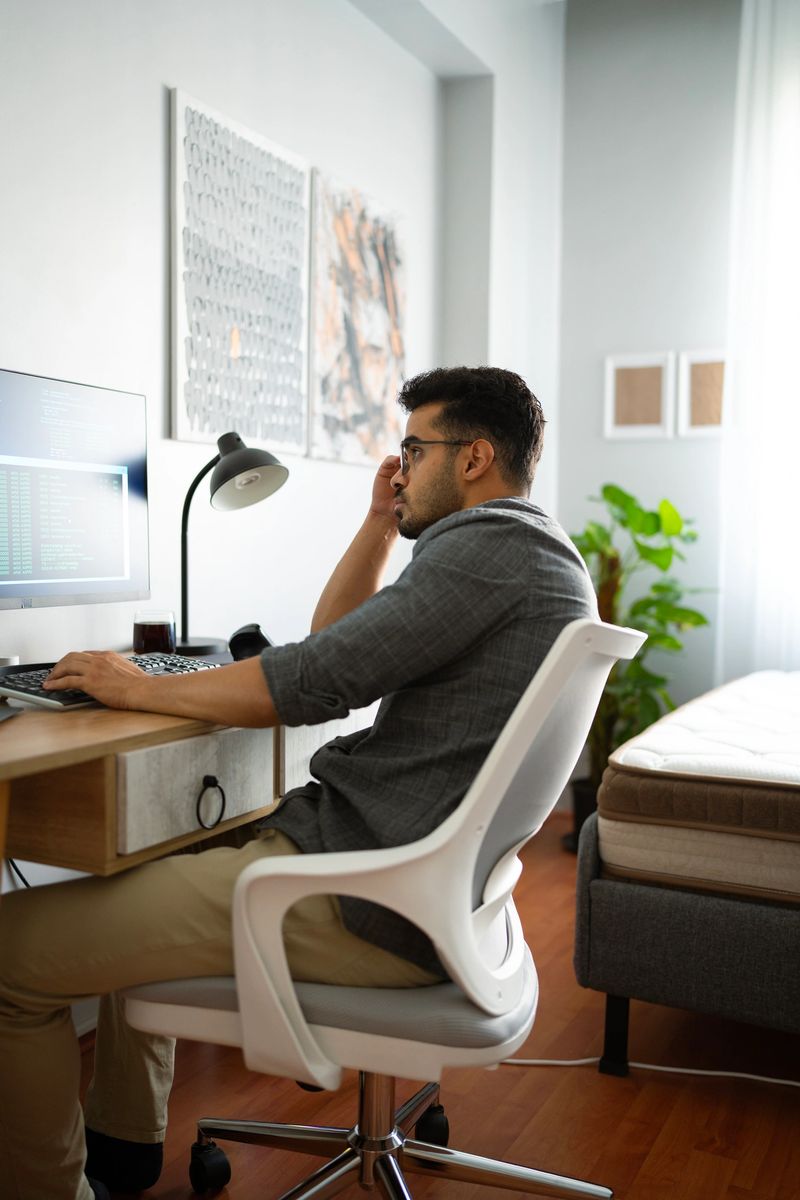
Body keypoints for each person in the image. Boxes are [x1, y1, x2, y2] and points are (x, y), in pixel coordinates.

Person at [0, 366, 596, 1200]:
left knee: (10, 954)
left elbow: (315, 679)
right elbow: (337, 641)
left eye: (415, 448)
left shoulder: (491, 551)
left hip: (363, 894)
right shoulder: (534, 553)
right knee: (139, 864)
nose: (401, 465)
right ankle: (123, 1146)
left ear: (474, 459)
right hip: (415, 883)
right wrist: (377, 524)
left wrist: (135, 685)